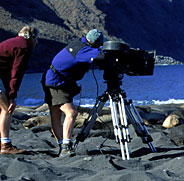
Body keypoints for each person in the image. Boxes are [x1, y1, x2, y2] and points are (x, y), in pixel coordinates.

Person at [42, 29, 106, 157]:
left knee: (56, 114)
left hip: (53, 80)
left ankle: (62, 145)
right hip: (56, 83)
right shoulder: (82, 50)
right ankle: (66, 146)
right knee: (71, 112)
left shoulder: (79, 45)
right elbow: (101, 56)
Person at [0, 25, 39, 154]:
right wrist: (12, 97)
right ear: (31, 37)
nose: (37, 42)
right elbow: (17, 73)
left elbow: (6, 72)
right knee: (7, 110)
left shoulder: (12, 43)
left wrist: (9, 92)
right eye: (36, 38)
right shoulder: (23, 46)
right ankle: (5, 145)